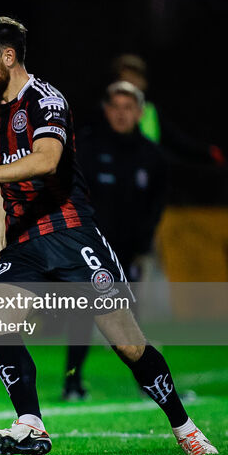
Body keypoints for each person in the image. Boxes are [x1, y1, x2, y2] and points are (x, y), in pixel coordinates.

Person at [0, 16, 216, 455]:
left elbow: (47, 160)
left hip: (72, 235)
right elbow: (0, 177)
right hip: (25, 241)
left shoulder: (47, 100)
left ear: (8, 57)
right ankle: (30, 423)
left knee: (127, 344)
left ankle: (185, 427)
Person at [60, 81, 168, 400]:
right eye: (115, 107)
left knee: (129, 319)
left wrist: (143, 246)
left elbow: (156, 206)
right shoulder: (88, 149)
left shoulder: (153, 156)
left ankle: (148, 383)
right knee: (81, 315)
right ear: (106, 110)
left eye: (128, 108)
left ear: (139, 112)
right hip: (89, 251)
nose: (121, 114)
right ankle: (72, 383)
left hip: (129, 252)